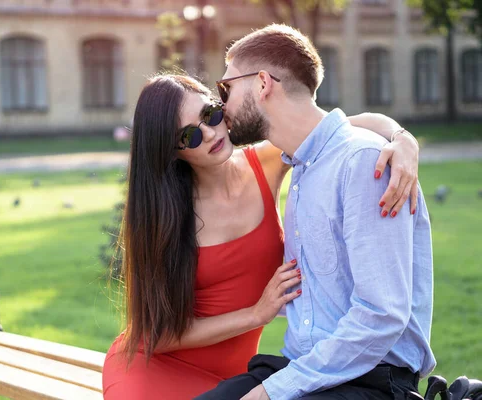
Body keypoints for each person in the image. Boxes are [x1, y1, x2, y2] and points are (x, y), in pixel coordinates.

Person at [101, 72, 420, 400]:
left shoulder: (266, 162)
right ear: (172, 151)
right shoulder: (164, 214)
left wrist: (403, 138)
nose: (210, 133)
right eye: (190, 136)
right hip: (152, 370)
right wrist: (256, 313)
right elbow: (157, 334)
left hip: (236, 379)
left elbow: (341, 126)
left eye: (210, 114)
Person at [195, 24, 435, 400]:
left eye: (226, 88)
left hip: (372, 380)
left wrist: (273, 392)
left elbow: (382, 315)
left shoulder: (363, 162)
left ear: (262, 83)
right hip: (308, 367)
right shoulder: (303, 166)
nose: (221, 105)